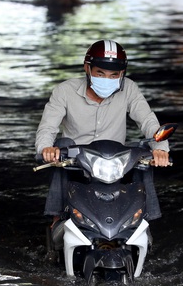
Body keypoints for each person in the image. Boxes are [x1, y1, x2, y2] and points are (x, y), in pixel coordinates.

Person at [36, 39, 171, 225]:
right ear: (87, 68)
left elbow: (147, 120)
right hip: (76, 163)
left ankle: (147, 221)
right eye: (100, 73)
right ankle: (57, 217)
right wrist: (46, 148)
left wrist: (161, 149)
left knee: (143, 152)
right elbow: (48, 127)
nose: (106, 79)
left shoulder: (129, 89)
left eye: (113, 75)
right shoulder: (65, 91)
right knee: (61, 145)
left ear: (121, 74)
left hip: (115, 163)